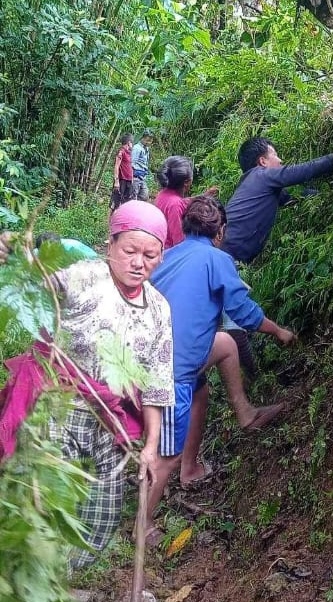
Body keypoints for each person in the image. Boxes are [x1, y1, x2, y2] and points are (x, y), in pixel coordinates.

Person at [0, 202, 175, 570]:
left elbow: (157, 383)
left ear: (160, 257)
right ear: (110, 246)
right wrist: (15, 257)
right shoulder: (84, 275)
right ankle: (26, 567)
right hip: (58, 405)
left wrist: (151, 447)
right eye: (129, 251)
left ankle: (55, 576)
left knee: (103, 515)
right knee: (43, 497)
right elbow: (38, 279)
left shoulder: (159, 309)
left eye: (149, 255)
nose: (138, 262)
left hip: (113, 421)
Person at [145, 196, 295, 544]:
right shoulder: (218, 259)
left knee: (224, 347)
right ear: (220, 232)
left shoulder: (168, 256)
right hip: (172, 370)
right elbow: (243, 313)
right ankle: (142, 524)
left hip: (147, 355)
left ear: (183, 228)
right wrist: (280, 332)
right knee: (166, 456)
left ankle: (210, 449)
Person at [221, 136, 333, 264]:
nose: (280, 160)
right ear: (263, 162)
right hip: (223, 255)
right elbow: (304, 170)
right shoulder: (261, 175)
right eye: (275, 155)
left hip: (224, 255)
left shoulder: (253, 185)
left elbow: (296, 196)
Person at [154, 155, 219, 249]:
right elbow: (179, 241)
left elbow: (183, 202)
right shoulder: (175, 205)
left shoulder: (163, 194)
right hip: (168, 253)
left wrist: (203, 196)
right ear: (187, 182)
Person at [110, 132, 134, 211]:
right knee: (115, 204)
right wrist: (116, 181)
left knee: (126, 204)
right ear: (129, 142)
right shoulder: (121, 151)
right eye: (132, 143)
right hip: (121, 180)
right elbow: (116, 166)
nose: (132, 145)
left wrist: (132, 179)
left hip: (128, 181)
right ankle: (111, 222)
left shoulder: (129, 153)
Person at [131, 130, 153, 201]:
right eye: (147, 140)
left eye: (150, 141)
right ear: (142, 138)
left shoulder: (146, 148)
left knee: (144, 196)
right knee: (134, 196)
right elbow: (132, 162)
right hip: (136, 176)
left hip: (143, 176)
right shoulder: (137, 148)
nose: (149, 142)